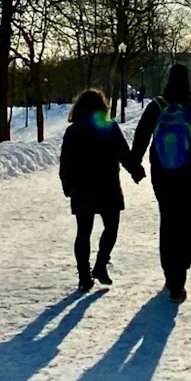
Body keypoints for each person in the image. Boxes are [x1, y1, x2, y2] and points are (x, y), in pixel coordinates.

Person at [131, 64, 191, 304]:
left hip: (161, 173)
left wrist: (135, 166)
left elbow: (140, 137)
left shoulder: (156, 106)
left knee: (168, 219)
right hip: (189, 173)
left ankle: (170, 275)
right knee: (186, 222)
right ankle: (179, 280)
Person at [60, 89, 146, 292]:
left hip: (82, 187)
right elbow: (123, 153)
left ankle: (84, 276)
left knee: (83, 231)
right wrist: (136, 171)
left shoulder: (73, 131)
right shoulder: (109, 127)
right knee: (111, 227)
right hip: (108, 185)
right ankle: (100, 264)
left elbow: (65, 161)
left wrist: (67, 185)